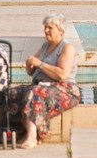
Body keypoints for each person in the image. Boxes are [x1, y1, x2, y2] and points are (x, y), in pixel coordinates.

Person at [9, 12, 80, 149]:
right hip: (41, 85)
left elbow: (62, 74)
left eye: (50, 28)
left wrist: (40, 64)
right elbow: (31, 72)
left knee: (35, 93)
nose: (46, 31)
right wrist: (29, 65)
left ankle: (32, 136)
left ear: (60, 31)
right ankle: (30, 130)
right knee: (12, 93)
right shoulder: (45, 47)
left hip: (63, 88)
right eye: (45, 27)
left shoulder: (66, 48)